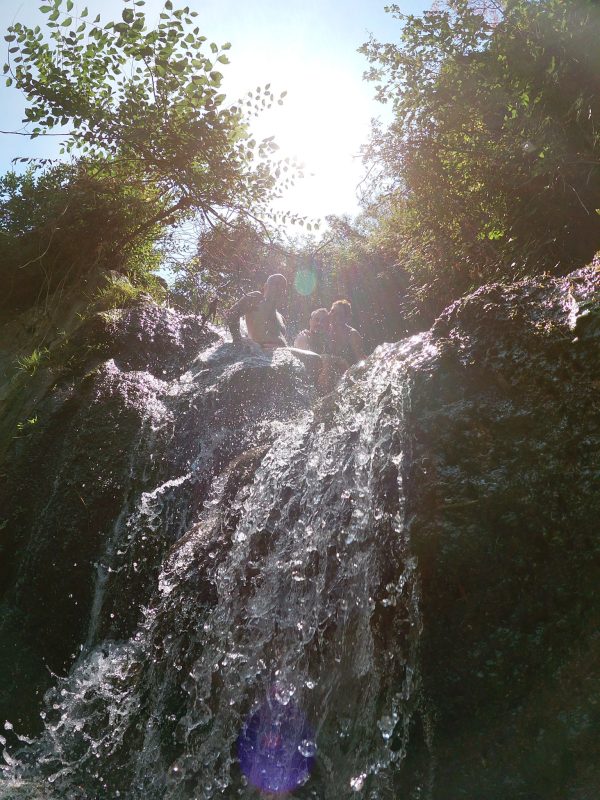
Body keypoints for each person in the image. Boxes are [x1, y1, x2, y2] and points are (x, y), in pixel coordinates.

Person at [226, 274, 289, 349]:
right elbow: (231, 314)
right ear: (266, 287)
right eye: (275, 284)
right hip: (258, 356)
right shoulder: (255, 299)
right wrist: (237, 339)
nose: (278, 288)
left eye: (282, 287)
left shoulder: (282, 318)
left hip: (280, 356)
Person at [327, 299, 364, 365]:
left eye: (339, 313)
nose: (333, 315)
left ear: (346, 318)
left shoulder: (352, 334)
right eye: (332, 311)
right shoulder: (326, 330)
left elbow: (361, 359)